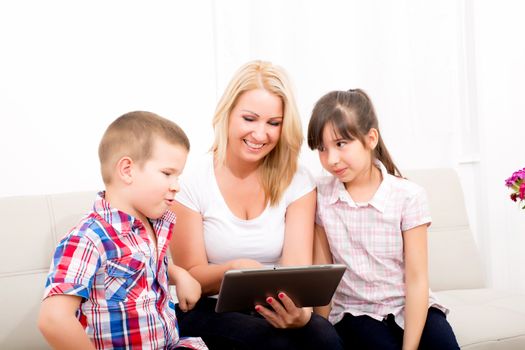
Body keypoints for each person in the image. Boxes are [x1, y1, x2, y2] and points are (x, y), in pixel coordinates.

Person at [169, 60, 343, 350]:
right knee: (273, 343)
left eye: (273, 123)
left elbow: (297, 272)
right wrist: (234, 269)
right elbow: (191, 276)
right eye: (249, 119)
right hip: (208, 308)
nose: (260, 135)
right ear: (228, 114)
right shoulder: (192, 180)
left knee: (324, 337)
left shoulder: (298, 180)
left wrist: (300, 316)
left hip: (275, 307)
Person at [38, 111, 207, 349]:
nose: (176, 186)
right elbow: (54, 320)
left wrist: (180, 275)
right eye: (168, 173)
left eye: (178, 176)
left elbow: (142, 269)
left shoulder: (151, 226)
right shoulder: (88, 238)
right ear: (127, 170)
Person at [307, 89, 460, 349]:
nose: (331, 159)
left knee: (442, 343)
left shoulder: (408, 196)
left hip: (406, 304)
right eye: (322, 148)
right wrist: (320, 333)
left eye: (341, 144)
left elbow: (417, 280)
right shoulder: (320, 195)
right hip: (354, 313)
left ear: (371, 138)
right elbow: (323, 274)